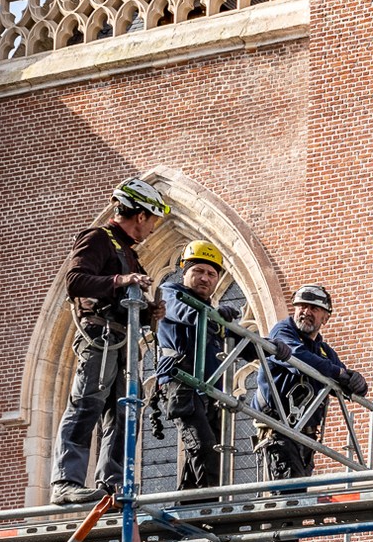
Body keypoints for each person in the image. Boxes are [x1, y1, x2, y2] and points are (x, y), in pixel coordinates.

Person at [51, 179, 169, 506]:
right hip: (99, 338)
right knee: (86, 402)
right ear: (140, 216)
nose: (153, 229)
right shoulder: (98, 238)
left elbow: (123, 300)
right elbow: (75, 281)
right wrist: (122, 279)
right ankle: (65, 481)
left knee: (121, 412)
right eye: (153, 220)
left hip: (120, 340)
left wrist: (149, 313)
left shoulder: (129, 253)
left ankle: (111, 485)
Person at [252, 283, 368, 488]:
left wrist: (357, 383)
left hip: (304, 437)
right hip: (279, 429)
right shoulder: (283, 332)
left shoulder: (323, 351)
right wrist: (337, 373)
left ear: (326, 317)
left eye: (313, 308)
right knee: (287, 499)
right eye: (301, 306)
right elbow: (298, 358)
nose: (306, 312)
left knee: (297, 496)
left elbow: (344, 382)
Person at [156, 240, 237, 493]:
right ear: (184, 272)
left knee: (201, 458)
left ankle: (186, 518)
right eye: (198, 271)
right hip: (181, 384)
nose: (205, 278)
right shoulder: (171, 292)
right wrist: (213, 316)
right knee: (204, 451)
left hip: (207, 393)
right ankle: (209, 514)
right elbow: (185, 313)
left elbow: (242, 344)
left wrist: (273, 349)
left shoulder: (211, 313)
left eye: (211, 274)